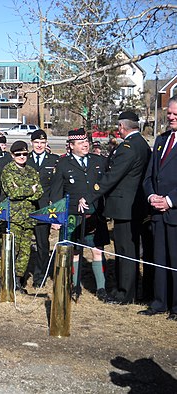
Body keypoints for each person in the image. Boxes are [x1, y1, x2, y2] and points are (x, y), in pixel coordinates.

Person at [79, 111, 151, 305]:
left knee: (125, 251)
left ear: (122, 127)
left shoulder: (128, 148)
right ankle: (129, 290)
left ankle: (124, 293)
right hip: (134, 206)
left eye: (118, 126)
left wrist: (90, 196)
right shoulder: (142, 144)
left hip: (125, 207)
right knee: (130, 250)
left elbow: (112, 177)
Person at [51, 128, 109, 302]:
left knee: (97, 250)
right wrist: (56, 218)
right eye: (81, 143)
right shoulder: (62, 164)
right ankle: (74, 286)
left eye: (86, 142)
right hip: (72, 215)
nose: (85, 145)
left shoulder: (98, 161)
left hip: (95, 214)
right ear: (71, 145)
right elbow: (56, 194)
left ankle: (101, 288)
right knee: (74, 252)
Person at [140, 95, 177, 320]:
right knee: (159, 259)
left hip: (174, 211)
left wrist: (170, 201)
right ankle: (159, 302)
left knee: (175, 260)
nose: (171, 117)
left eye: (175, 114)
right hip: (157, 213)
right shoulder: (162, 140)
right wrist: (152, 195)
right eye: (169, 113)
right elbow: (149, 177)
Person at [0, 140, 42, 294]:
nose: (22, 156)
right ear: (12, 155)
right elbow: (12, 193)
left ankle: (17, 281)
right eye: (18, 154)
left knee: (25, 252)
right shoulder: (8, 170)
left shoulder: (32, 171)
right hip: (13, 218)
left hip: (28, 217)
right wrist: (30, 190)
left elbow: (39, 192)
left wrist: (22, 189)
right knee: (10, 249)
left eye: (24, 154)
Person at [27, 129, 59, 288]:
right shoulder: (24, 159)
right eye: (36, 142)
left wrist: (55, 213)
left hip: (44, 209)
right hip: (26, 209)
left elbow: (56, 187)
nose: (39, 145)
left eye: (42, 142)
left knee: (42, 245)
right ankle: (21, 276)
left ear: (46, 144)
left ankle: (40, 277)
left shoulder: (54, 160)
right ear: (31, 143)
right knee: (23, 244)